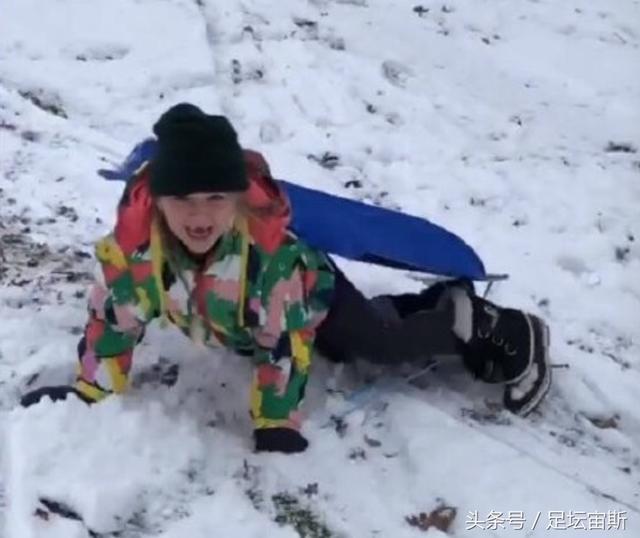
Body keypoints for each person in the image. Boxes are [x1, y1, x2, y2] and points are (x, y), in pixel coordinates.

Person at [20, 104, 551, 454]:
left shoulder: (269, 258)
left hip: (310, 296)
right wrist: (92, 391)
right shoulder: (136, 253)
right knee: (358, 337)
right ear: (157, 201)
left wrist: (275, 422)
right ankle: (433, 303)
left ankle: (480, 323)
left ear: (236, 200)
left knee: (372, 345)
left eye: (215, 199)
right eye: (183, 199)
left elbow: (285, 340)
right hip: (232, 317)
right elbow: (114, 321)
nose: (200, 215)